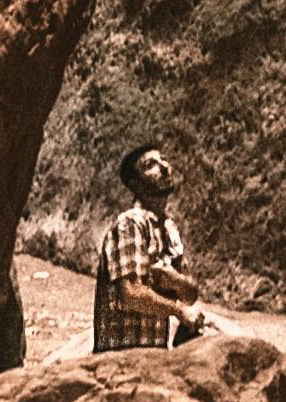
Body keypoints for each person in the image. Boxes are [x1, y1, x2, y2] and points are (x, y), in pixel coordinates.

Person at [90, 139, 209, 350]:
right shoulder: (130, 224)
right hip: (120, 356)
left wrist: (175, 280)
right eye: (150, 165)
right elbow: (131, 294)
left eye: (163, 160)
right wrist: (178, 310)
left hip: (152, 356)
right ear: (135, 185)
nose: (164, 167)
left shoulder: (169, 228)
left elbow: (190, 294)